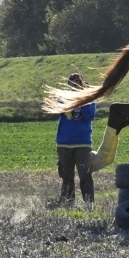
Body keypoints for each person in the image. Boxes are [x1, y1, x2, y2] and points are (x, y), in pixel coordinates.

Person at [55, 73, 97, 207]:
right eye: (72, 84)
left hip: (82, 144)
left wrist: (81, 100)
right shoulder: (62, 98)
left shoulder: (89, 100)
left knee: (85, 176)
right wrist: (68, 100)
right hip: (63, 143)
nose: (74, 86)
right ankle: (67, 204)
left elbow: (89, 116)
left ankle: (89, 205)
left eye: (77, 84)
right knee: (67, 178)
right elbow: (56, 109)